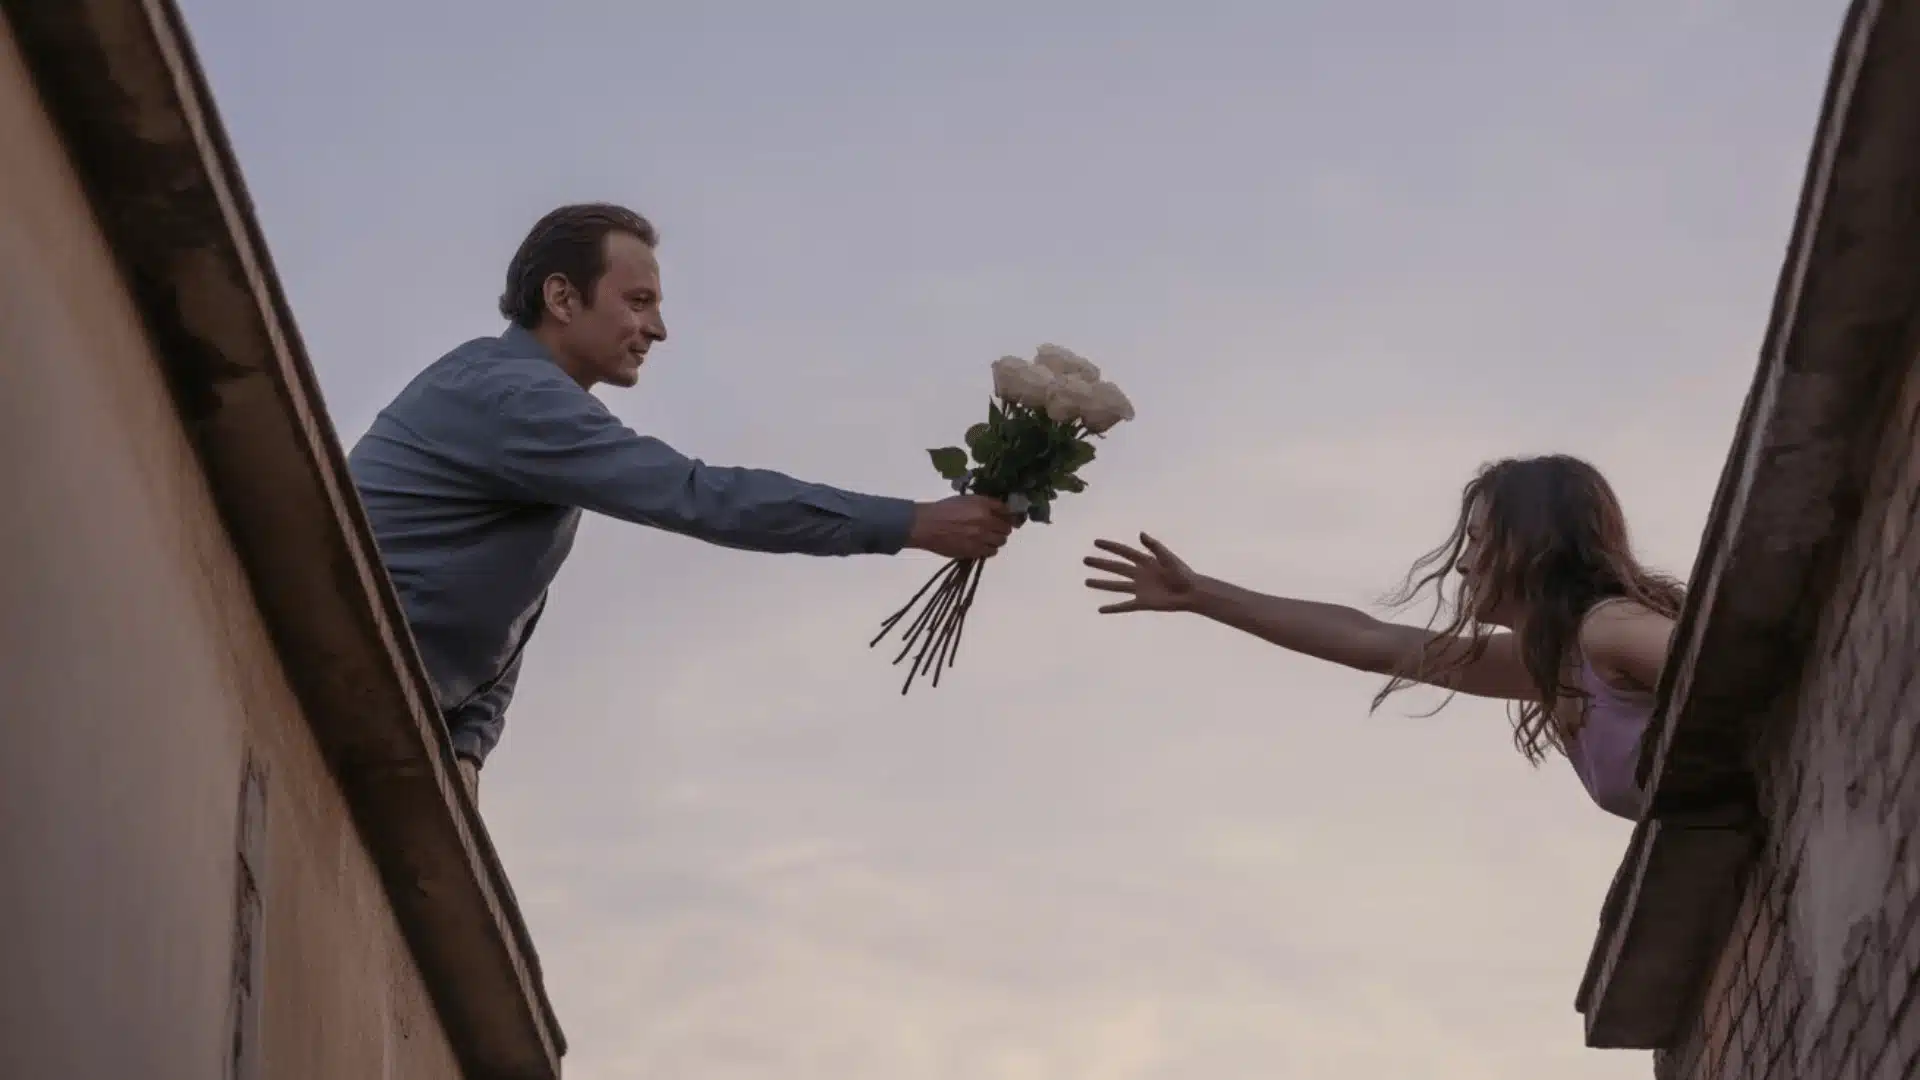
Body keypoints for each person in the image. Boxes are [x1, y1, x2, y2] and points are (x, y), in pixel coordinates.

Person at [349, 203, 1015, 798]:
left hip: (398, 705)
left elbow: (506, 603)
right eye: (637, 301)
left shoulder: (534, 411)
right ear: (561, 296)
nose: (657, 328)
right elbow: (700, 496)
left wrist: (469, 746)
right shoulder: (514, 398)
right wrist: (913, 522)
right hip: (349, 671)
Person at [1082, 455, 1682, 820]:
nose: (1463, 565)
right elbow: (1371, 642)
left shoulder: (1609, 629)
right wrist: (1203, 596)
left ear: (1533, 542)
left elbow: (1734, 672)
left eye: (1477, 540)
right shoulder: (1552, 664)